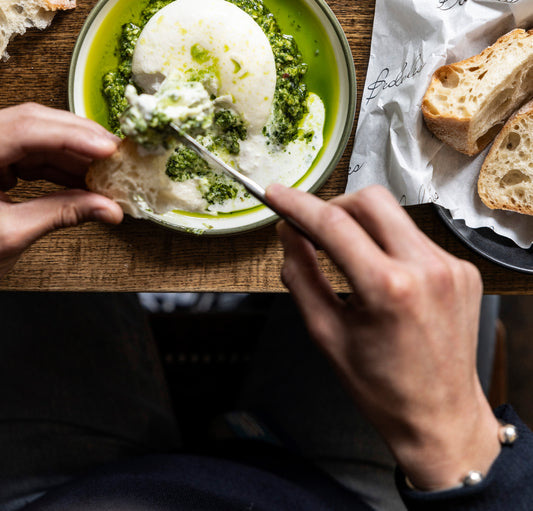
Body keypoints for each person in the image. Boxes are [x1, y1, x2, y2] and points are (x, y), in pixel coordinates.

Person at [0, 102, 531, 510]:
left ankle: (232, 432)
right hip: (335, 488)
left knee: (31, 282)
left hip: (60, 484)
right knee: (443, 280)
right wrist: (460, 446)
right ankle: (244, 431)